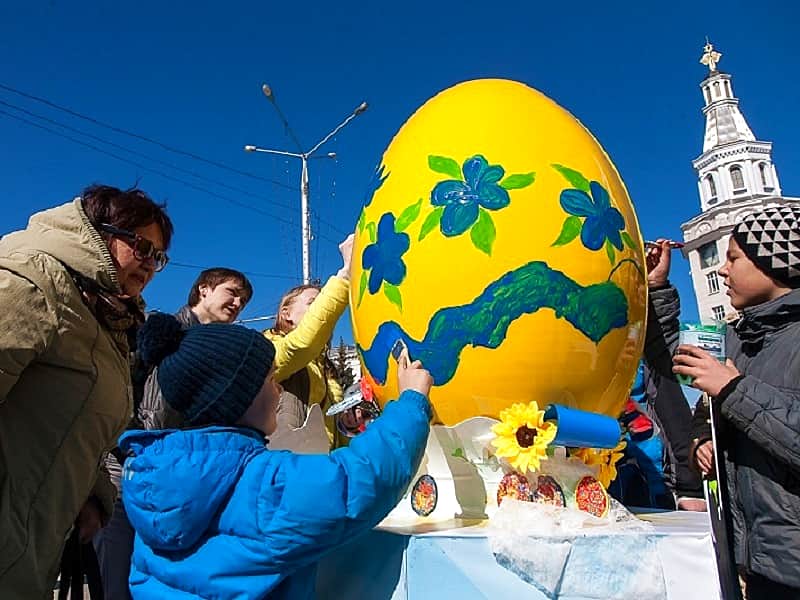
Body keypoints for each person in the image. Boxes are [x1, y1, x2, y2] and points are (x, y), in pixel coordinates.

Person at [121, 313, 433, 598]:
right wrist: (411, 402)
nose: (280, 391)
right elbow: (358, 482)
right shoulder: (259, 484)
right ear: (237, 397)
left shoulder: (151, 478)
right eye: (271, 380)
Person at [0, 184, 173, 598]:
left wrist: (91, 493)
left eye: (159, 257)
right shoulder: (32, 281)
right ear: (99, 232)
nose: (150, 265)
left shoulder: (103, 316)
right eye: (141, 247)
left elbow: (66, 423)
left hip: (33, 543)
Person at [646, 205, 800, 599]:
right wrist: (705, 439)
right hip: (755, 562)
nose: (722, 270)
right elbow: (676, 369)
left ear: (774, 262)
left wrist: (733, 390)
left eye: (734, 258)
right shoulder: (738, 339)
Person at [93, 267, 253, 600]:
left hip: (180, 483)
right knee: (117, 580)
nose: (238, 302)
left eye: (244, 299)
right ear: (204, 289)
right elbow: (125, 396)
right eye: (232, 292)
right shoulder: (161, 330)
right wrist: (136, 449)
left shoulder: (221, 350)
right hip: (128, 475)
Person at [265, 234, 354, 444]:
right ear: (286, 313)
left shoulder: (325, 366)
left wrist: (348, 423)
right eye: (313, 302)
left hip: (324, 467)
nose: (321, 310)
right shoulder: (267, 347)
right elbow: (301, 345)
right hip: (290, 467)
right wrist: (346, 275)